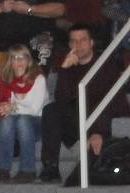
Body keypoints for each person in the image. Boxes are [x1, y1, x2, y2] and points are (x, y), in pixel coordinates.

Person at [39, 23, 123, 183]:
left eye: (83, 40)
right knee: (51, 109)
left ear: (91, 43)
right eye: (74, 41)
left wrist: (97, 132)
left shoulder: (106, 66)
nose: (78, 45)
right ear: (70, 45)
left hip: (102, 122)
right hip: (79, 121)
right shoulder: (70, 67)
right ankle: (50, 166)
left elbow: (107, 102)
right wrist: (64, 68)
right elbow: (62, 100)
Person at [0, 43, 47, 182]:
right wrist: (8, 108)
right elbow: (5, 106)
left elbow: (35, 110)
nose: (18, 62)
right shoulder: (6, 79)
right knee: (7, 120)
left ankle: (28, 170)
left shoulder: (38, 79)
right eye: (14, 58)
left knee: (23, 119)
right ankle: (4, 170)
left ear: (28, 60)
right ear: (10, 61)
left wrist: (13, 107)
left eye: (22, 57)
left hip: (38, 123)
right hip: (15, 126)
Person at [0, 0, 65, 73]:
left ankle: (35, 88)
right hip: (0, 33)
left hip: (36, 32)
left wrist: (29, 9)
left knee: (44, 49)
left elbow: (59, 9)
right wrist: (1, 7)